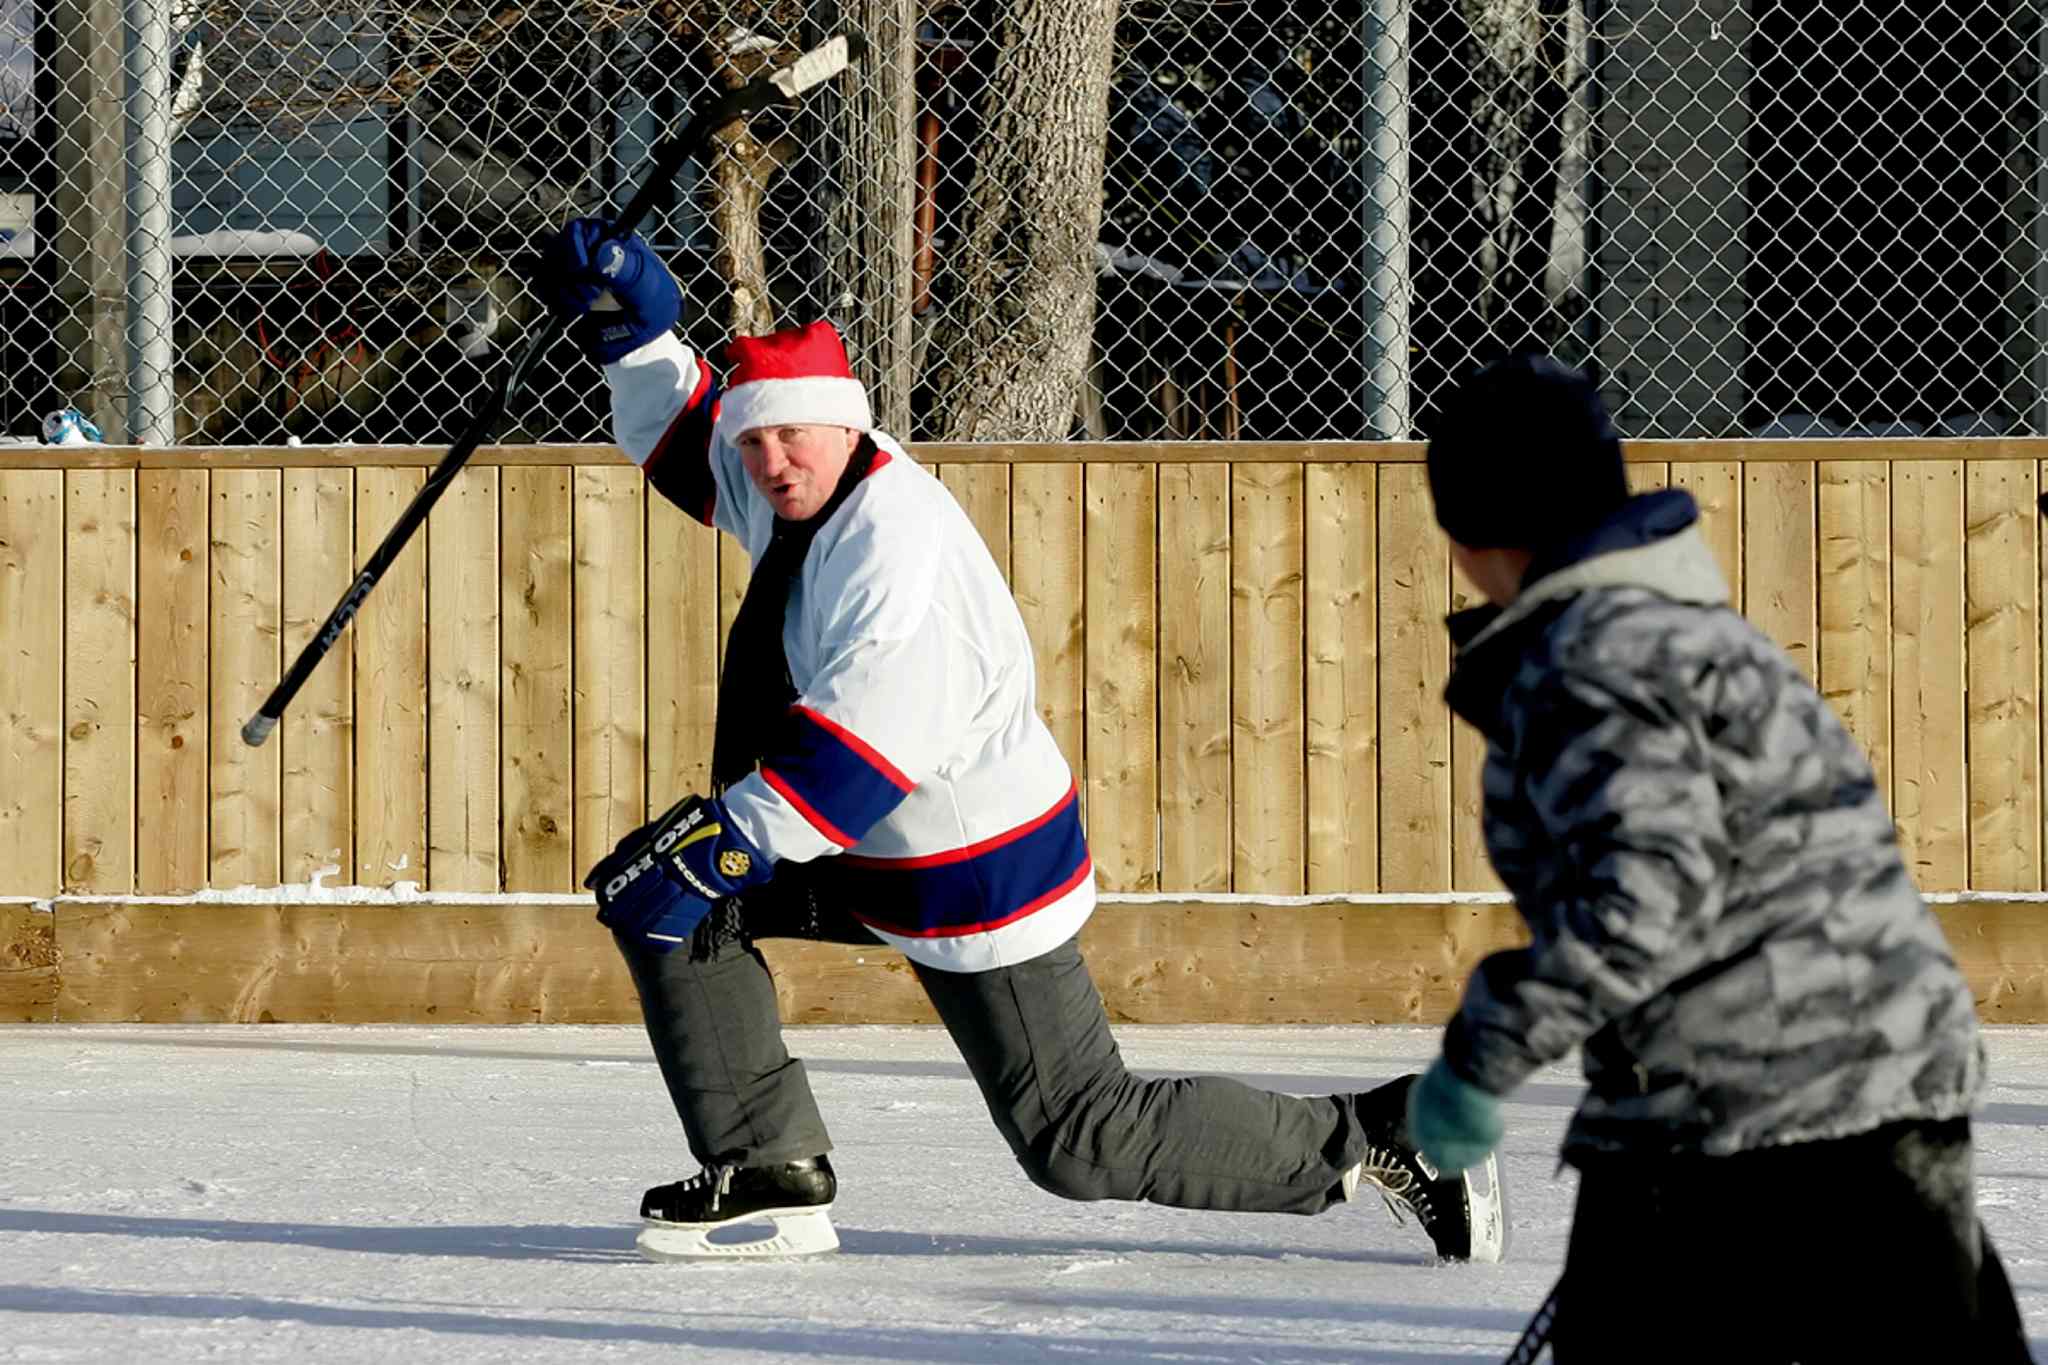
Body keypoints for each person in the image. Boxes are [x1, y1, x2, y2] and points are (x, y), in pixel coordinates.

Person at [532, 217, 1507, 1264]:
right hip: (866, 847)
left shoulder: (888, 546)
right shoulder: (807, 487)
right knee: (666, 899)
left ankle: (1388, 1138)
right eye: (756, 440)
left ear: (846, 428)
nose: (769, 462)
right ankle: (763, 1164)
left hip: (966, 867)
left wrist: (728, 841)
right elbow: (694, 451)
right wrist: (636, 339)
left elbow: (863, 745)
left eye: (789, 439)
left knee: (1075, 1137)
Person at [1404, 354, 2029, 1362]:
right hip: (1890, 1080)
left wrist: (1476, 1062)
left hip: (1743, 1121)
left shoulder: (1587, 664)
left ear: (1471, 535)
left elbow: (1642, 902)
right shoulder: (1692, 635)